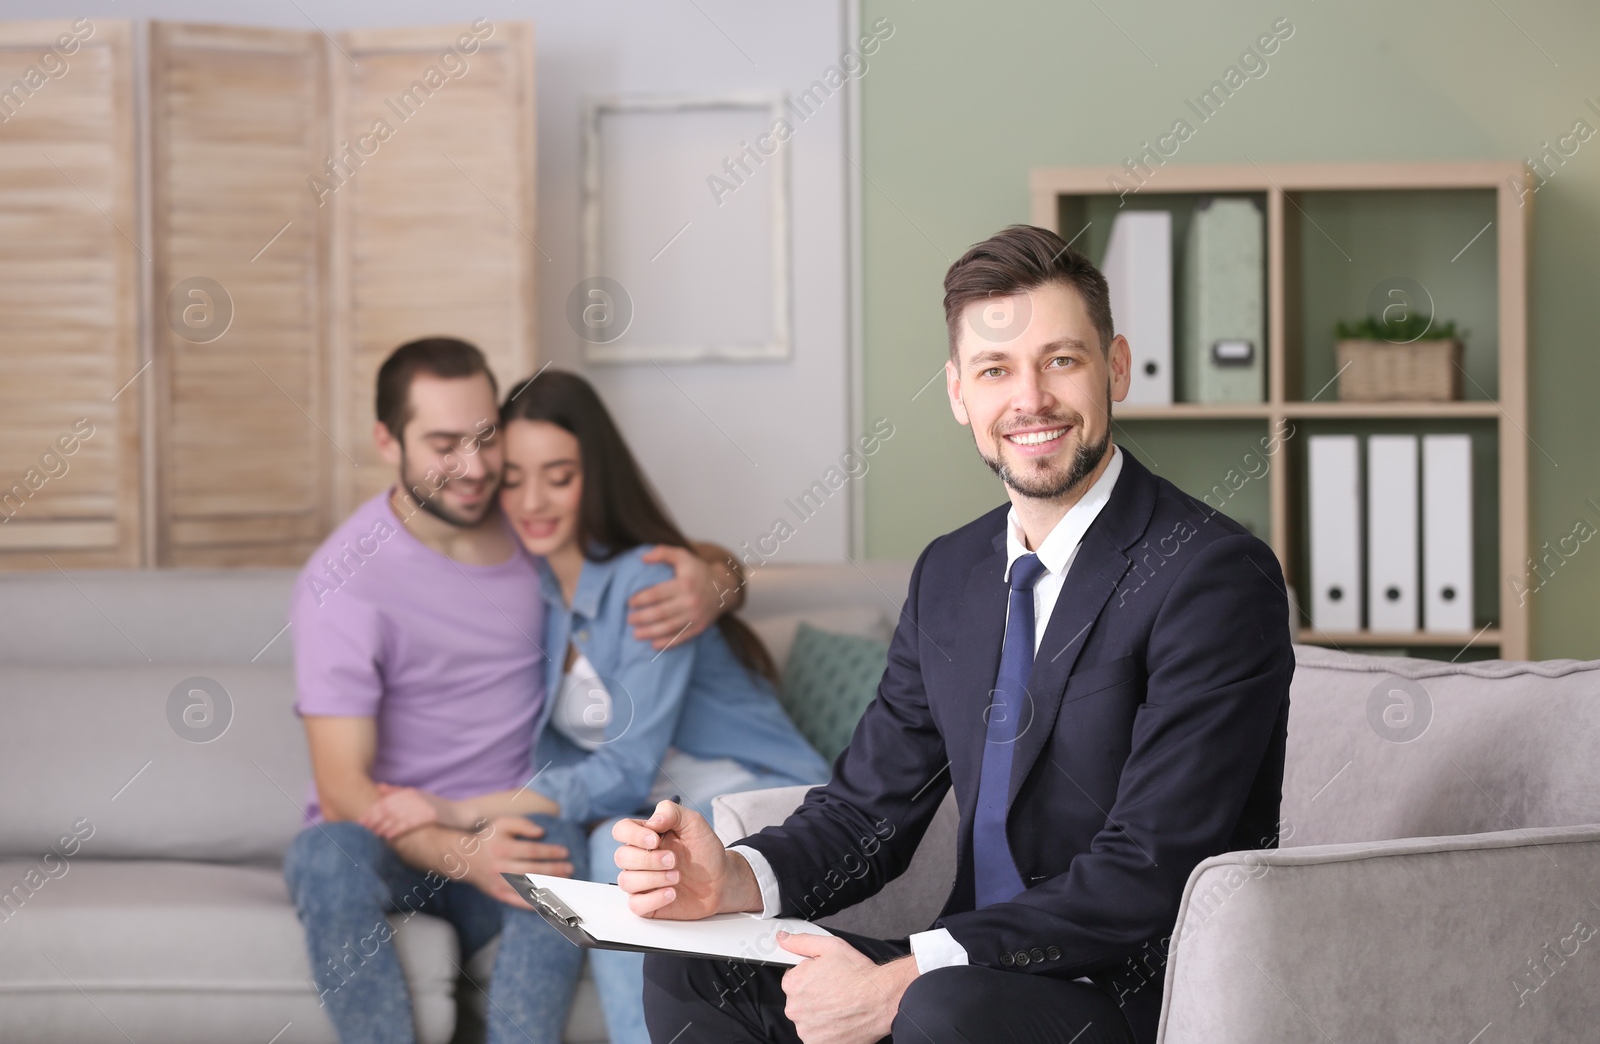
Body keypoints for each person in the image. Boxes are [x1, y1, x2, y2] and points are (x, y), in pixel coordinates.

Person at [613, 225, 1296, 1044]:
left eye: (1062, 361)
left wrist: (911, 974)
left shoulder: (1212, 574)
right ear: (958, 392)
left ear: (1115, 366)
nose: (1030, 399)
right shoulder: (952, 572)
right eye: (996, 370)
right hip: (964, 971)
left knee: (937, 1004)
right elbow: (868, 809)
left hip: (1123, 990)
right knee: (691, 963)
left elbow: (1146, 870)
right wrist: (733, 877)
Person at [283, 338, 746, 1044]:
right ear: (386, 440)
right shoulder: (342, 581)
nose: (472, 469)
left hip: (525, 820)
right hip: (400, 843)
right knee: (324, 853)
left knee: (558, 847)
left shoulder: (526, 518)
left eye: (484, 438)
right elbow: (345, 788)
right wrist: (463, 851)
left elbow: (646, 547)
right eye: (443, 444)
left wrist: (714, 582)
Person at [362, 369, 832, 1044]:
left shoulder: (647, 580)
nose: (533, 500)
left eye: (559, 475)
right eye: (514, 478)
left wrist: (453, 807)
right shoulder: (539, 596)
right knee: (606, 840)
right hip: (672, 813)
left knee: (617, 844)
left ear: (596, 476)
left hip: (761, 801)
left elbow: (623, 771)